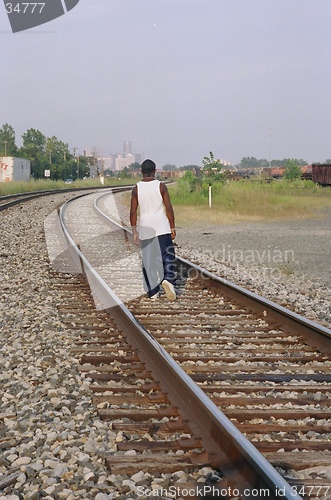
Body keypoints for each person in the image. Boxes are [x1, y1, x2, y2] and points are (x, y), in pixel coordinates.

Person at [130, 159, 176, 301]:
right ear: (155, 171)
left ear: (141, 172)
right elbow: (168, 207)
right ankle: (168, 278)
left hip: (146, 227)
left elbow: (133, 211)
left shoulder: (136, 188)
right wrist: (172, 226)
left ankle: (152, 291)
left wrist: (134, 231)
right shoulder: (161, 186)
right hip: (162, 226)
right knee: (167, 255)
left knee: (148, 260)